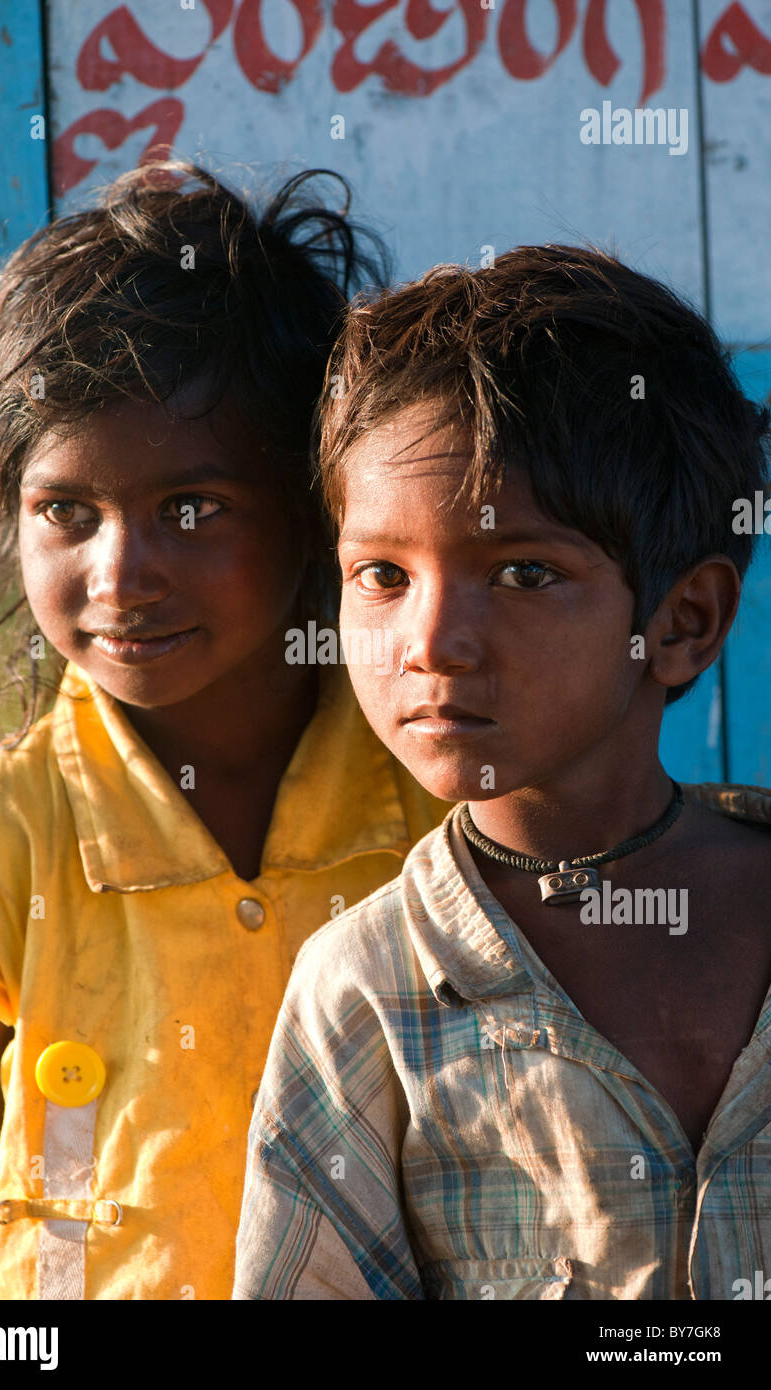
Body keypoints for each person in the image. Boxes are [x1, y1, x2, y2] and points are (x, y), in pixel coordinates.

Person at [0, 160, 451, 1301]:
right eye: (67, 511)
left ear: (310, 507)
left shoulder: (434, 793)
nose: (121, 575)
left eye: (192, 509)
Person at [233, 247, 771, 1301]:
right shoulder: (367, 992)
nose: (431, 641)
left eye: (523, 573)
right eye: (382, 575)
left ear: (681, 621)